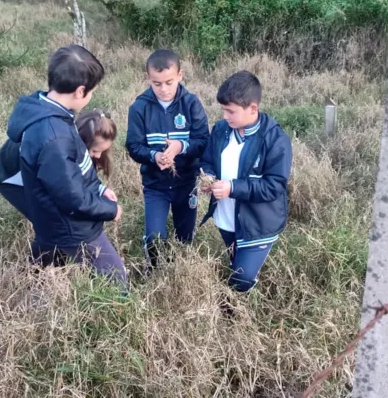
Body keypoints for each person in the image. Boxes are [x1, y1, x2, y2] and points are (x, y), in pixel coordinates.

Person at [0, 45, 127, 287]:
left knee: (46, 243)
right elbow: (72, 198)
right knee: (115, 277)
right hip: (45, 204)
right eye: (92, 92)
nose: (91, 97)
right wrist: (110, 209)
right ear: (80, 91)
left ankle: (31, 284)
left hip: (42, 199)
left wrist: (98, 188)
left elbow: (77, 164)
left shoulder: (50, 109)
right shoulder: (54, 136)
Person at [199, 70, 293, 294]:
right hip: (227, 217)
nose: (225, 116)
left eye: (230, 111)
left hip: (259, 223)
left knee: (241, 278)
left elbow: (274, 186)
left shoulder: (275, 139)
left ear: (252, 108)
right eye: (223, 110)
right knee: (235, 263)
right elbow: (208, 159)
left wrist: (232, 187)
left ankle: (236, 312)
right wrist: (208, 176)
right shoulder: (221, 130)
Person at [125, 49, 209, 273]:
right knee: (154, 237)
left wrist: (180, 147)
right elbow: (133, 146)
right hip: (156, 185)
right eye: (156, 83)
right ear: (148, 79)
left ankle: (180, 273)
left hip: (186, 183)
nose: (163, 89)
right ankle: (153, 271)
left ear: (180, 75)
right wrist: (154, 156)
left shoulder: (191, 104)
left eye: (169, 82)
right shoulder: (139, 108)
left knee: (185, 237)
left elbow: (203, 141)